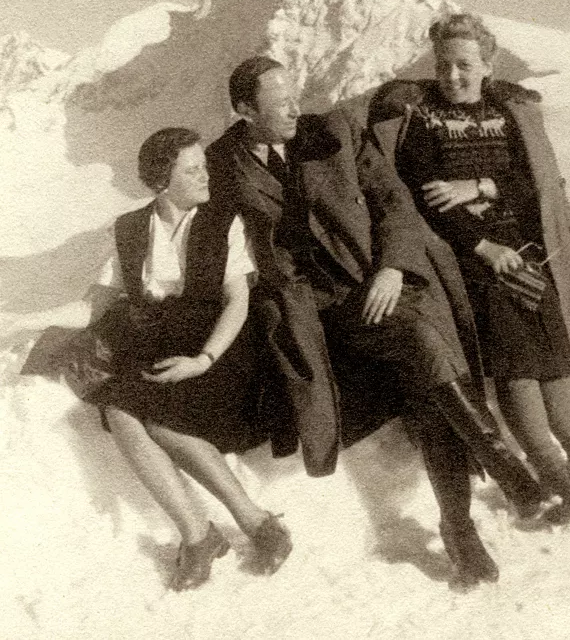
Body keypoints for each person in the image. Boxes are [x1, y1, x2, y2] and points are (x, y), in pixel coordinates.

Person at [206, 56, 547, 588]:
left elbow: (395, 202)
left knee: (420, 365)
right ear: (245, 110)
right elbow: (195, 236)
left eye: (295, 94)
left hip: (370, 285)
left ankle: (467, 517)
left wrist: (391, 267)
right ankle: (495, 473)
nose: (296, 107)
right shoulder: (221, 164)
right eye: (279, 104)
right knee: (420, 358)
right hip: (306, 314)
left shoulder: (333, 132)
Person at [369, 12, 570, 524]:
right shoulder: (423, 120)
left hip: (533, 254)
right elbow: (427, 202)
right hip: (472, 261)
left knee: (556, 365)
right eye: (444, 65)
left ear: (488, 65)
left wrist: (478, 187)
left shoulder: (508, 113)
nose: (452, 75)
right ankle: (557, 479)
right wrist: (485, 248)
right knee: (518, 369)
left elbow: (531, 185)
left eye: (464, 65)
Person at [59, 128, 291, 590]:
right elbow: (97, 302)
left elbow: (237, 301)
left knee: (165, 423)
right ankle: (197, 534)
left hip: (224, 349)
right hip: (161, 347)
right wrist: (23, 322)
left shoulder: (226, 221)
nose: (206, 175)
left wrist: (203, 359)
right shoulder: (130, 228)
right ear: (162, 180)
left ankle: (255, 520)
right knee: (120, 411)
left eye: (203, 165)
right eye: (193, 169)